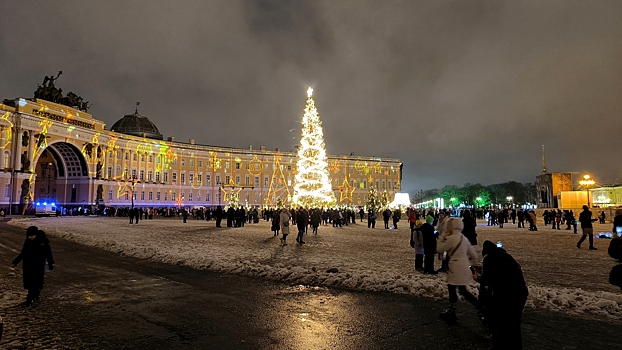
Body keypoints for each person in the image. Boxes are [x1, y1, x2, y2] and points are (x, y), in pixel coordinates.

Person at [478, 240, 528, 350]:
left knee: (500, 323)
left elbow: (487, 282)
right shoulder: (506, 256)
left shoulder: (489, 259)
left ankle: (499, 346)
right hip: (520, 293)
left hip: (505, 295)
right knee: (514, 325)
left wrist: (482, 299)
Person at [436, 218, 479, 323]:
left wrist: (441, 238)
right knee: (463, 290)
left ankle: (452, 312)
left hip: (455, 267)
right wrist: (475, 264)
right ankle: (480, 306)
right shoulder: (463, 238)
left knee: (453, 289)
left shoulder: (451, 238)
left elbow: (440, 249)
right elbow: (473, 254)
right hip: (464, 266)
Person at [11, 226, 55, 306]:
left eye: (31, 236)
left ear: (36, 234)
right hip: (28, 264)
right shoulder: (28, 241)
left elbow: (48, 253)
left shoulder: (43, 241)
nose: (30, 237)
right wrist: (15, 262)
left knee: (35, 281)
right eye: (29, 236)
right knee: (29, 281)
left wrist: (50, 263)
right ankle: (33, 296)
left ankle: (31, 298)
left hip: (38, 265)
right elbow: (23, 252)